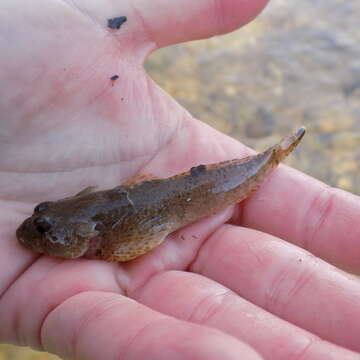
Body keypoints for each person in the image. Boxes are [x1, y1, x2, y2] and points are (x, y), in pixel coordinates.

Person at [1, 1, 360, 359]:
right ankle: (273, 155)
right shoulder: (89, 226)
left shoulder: (99, 233)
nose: (38, 230)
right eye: (44, 224)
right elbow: (134, 227)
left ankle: (273, 156)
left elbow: (139, 233)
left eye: (45, 228)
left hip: (165, 197)